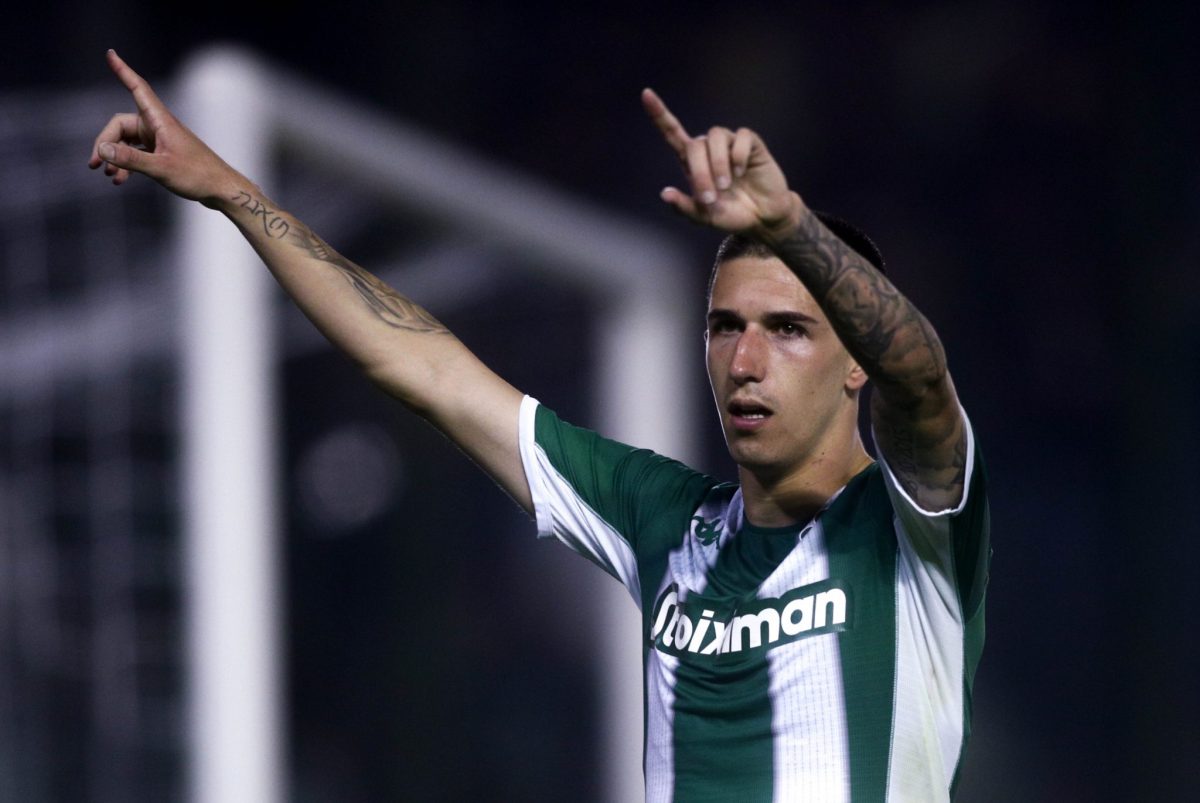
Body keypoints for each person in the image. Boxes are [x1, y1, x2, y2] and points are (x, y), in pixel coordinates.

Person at [91, 49, 989, 802]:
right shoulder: (663, 517)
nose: (745, 360)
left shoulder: (910, 532)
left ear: (855, 362)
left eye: (787, 330)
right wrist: (227, 189)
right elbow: (428, 370)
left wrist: (790, 223)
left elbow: (920, 380)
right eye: (725, 327)